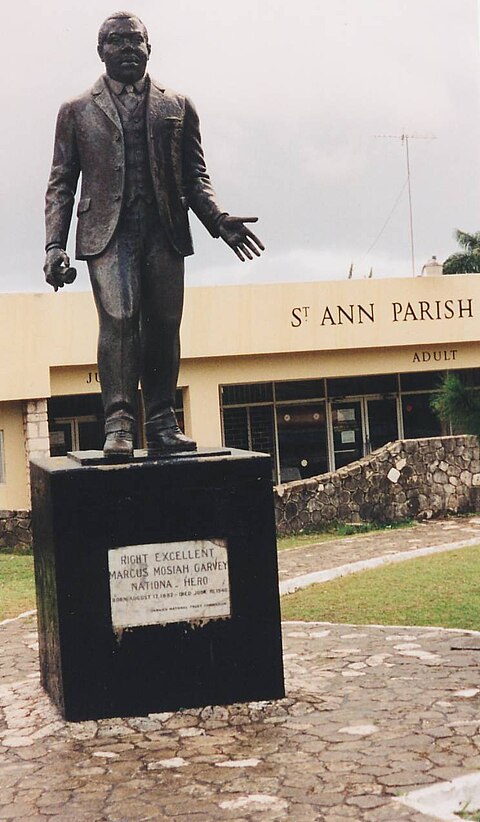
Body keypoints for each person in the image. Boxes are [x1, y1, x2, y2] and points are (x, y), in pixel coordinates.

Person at [44, 11, 264, 458]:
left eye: (135, 40)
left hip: (164, 230)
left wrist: (218, 220)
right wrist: (54, 245)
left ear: (149, 47)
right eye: (116, 40)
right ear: (100, 50)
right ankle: (119, 425)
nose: (127, 48)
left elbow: (195, 175)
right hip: (108, 234)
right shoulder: (76, 110)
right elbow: (62, 182)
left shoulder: (178, 106)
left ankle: (162, 423)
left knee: (164, 325)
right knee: (120, 320)